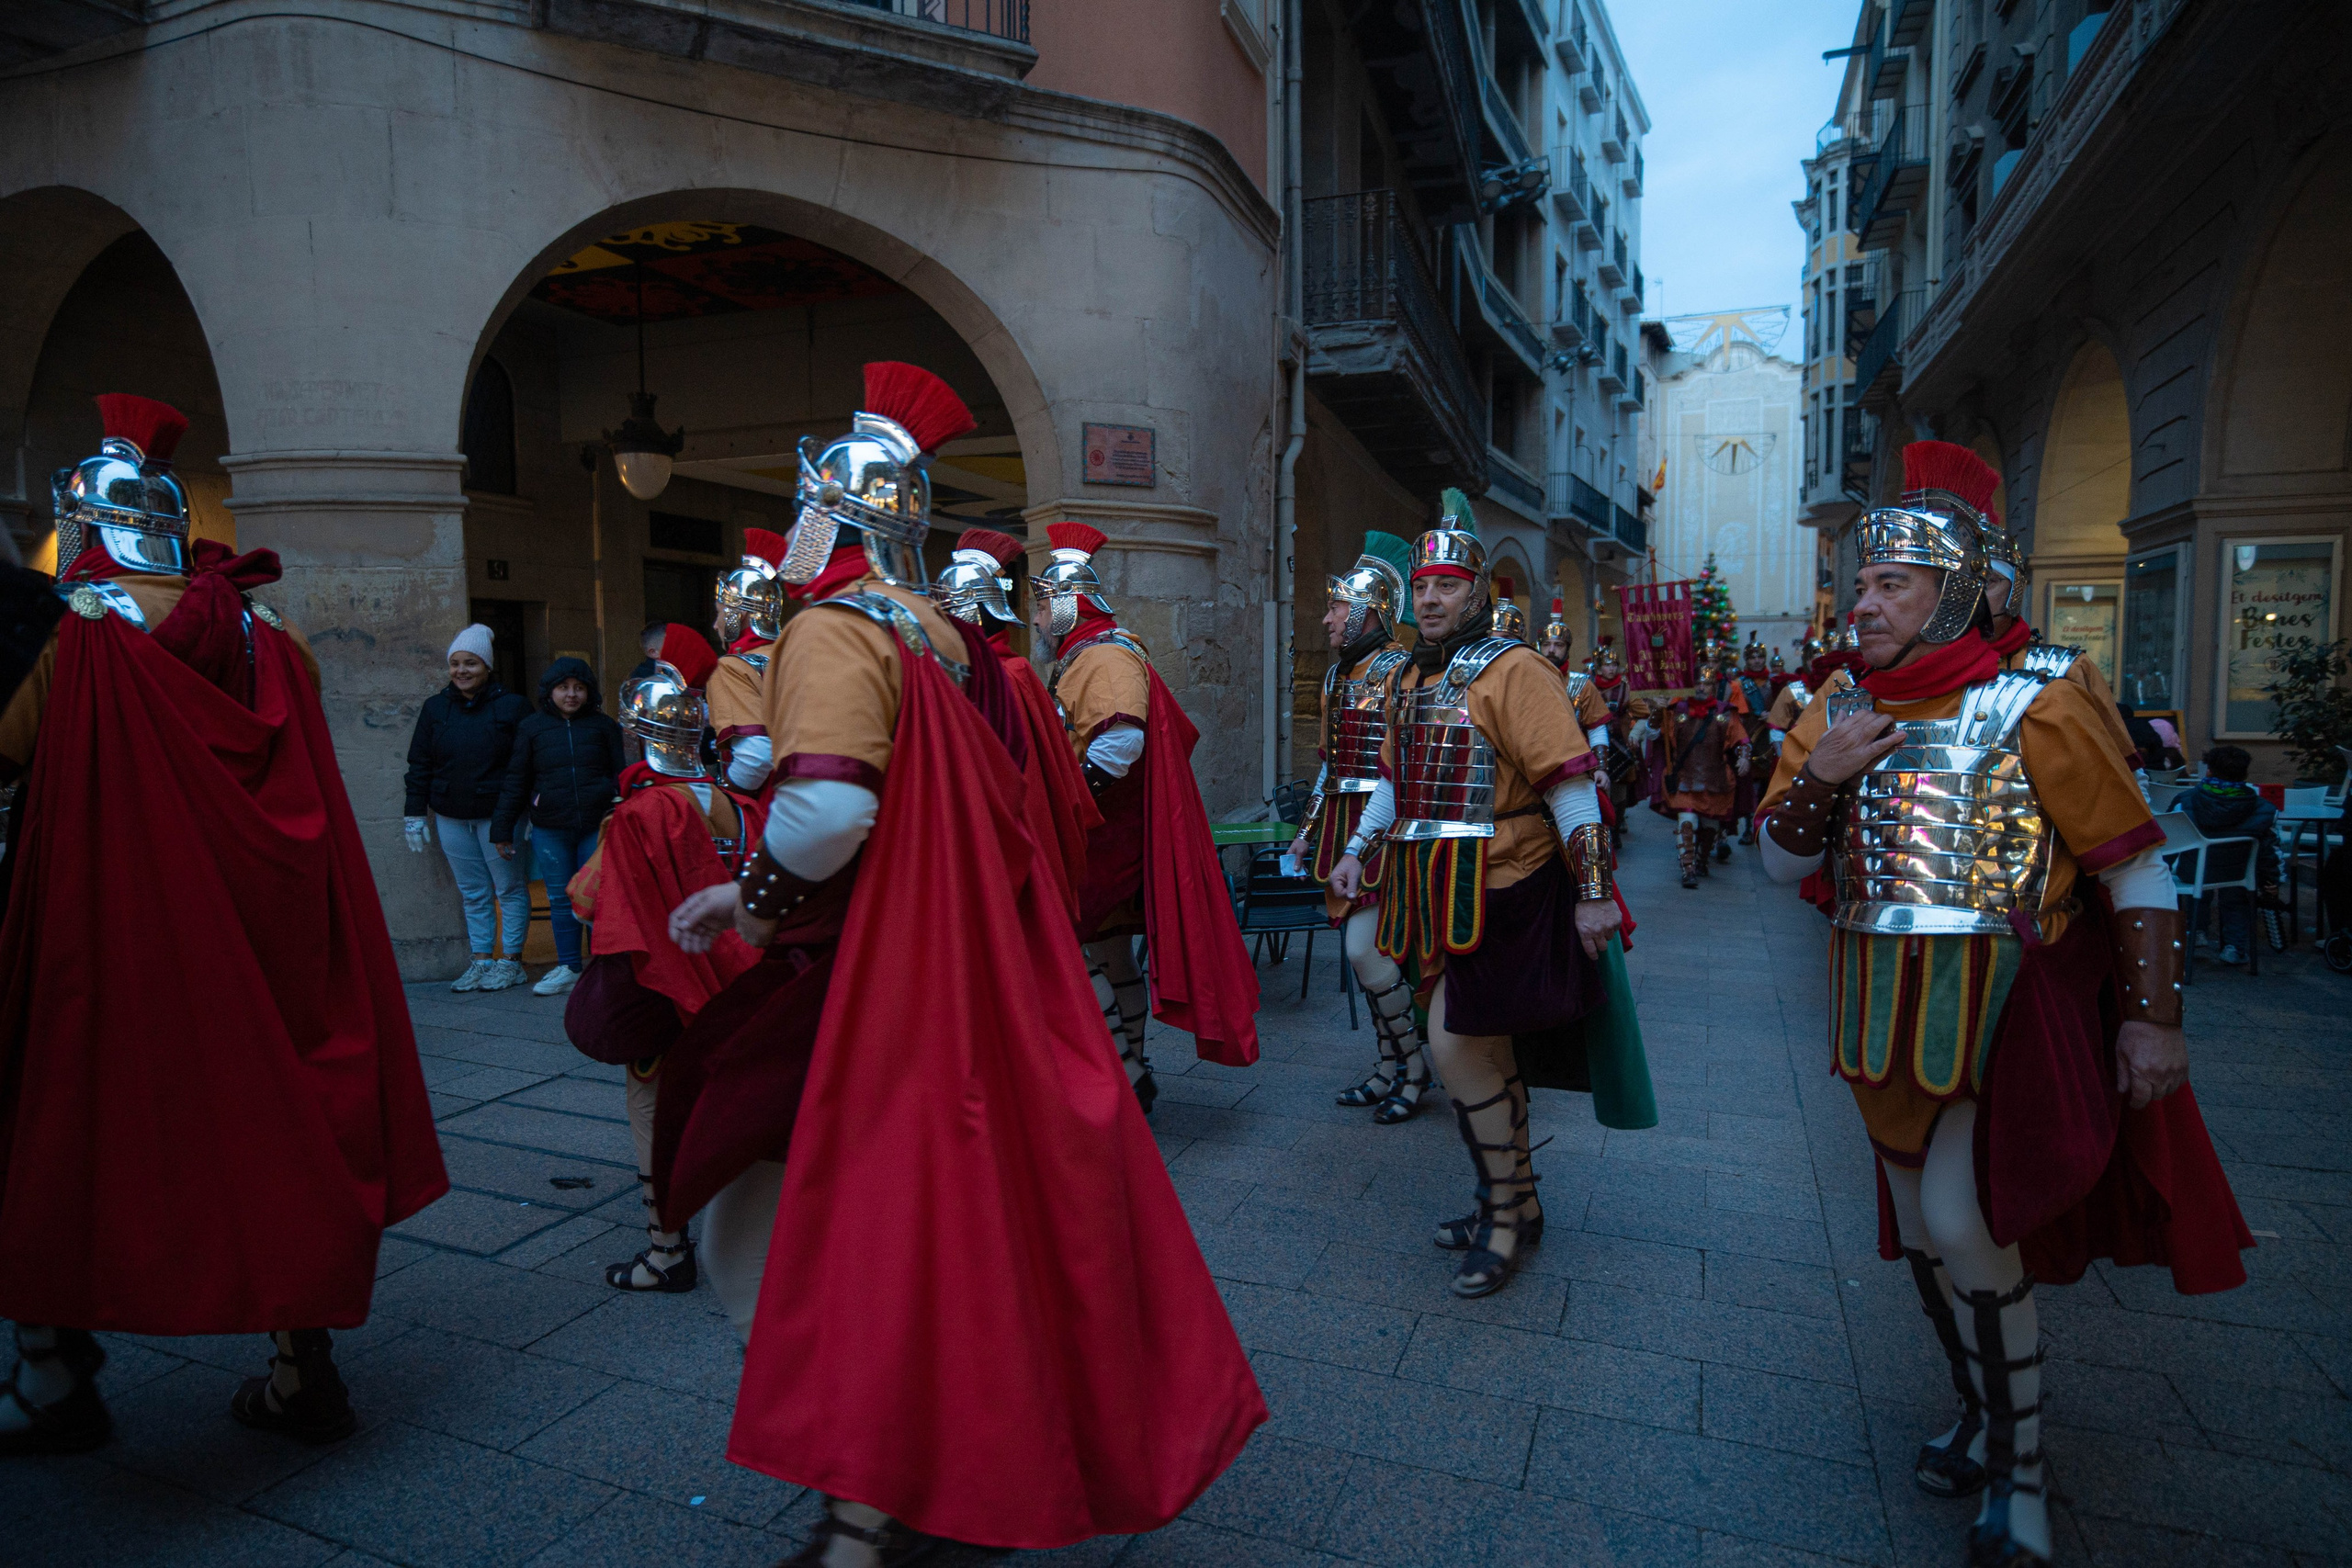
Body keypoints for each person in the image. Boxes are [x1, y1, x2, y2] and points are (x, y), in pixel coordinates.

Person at [658, 362, 1264, 1562]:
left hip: (879, 977)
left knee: (778, 1214)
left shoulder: (834, 625)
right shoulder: (947, 635)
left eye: (808, 510)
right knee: (923, 1231)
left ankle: (863, 1512)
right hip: (961, 962)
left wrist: (754, 903)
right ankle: (889, 1494)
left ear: (837, 516)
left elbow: (829, 810)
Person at [1757, 437, 2249, 1568]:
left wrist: (2150, 1016)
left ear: (1956, 593)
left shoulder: (2041, 697)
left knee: (1962, 1220)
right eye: (1861, 582)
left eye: (1892, 584)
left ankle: (2022, 1474)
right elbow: (1782, 870)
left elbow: (2131, 864)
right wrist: (1822, 781)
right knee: (1928, 1241)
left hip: (2007, 1004)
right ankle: (1981, 1411)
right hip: (1877, 1002)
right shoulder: (1834, 703)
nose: (1863, 603)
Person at [0, 394, 447, 1455]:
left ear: (88, 530)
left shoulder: (82, 638)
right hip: (275, 926)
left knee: (56, 1119)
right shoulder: (269, 631)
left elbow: (14, 750)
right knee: (286, 1123)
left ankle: (51, 1370)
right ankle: (303, 1368)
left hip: (133, 929)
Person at [1329, 491, 1654, 1299]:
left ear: (1478, 593)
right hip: (1430, 889)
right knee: (1482, 1052)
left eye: (1449, 584)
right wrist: (1356, 848)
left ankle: (1504, 1213)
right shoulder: (1407, 675)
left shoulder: (1518, 672)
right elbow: (1394, 782)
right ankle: (1514, 1204)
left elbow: (1571, 786)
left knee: (1458, 1048)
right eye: (1424, 585)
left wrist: (1594, 894)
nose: (1433, 597)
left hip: (1508, 885)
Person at [1034, 519, 1260, 1107]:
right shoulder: (1091, 650)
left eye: (1041, 603)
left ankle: (1123, 1072)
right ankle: (1132, 1070)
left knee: (1065, 948)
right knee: (1109, 954)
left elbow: (1118, 742)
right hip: (1108, 836)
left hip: (1104, 837)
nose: (1034, 618)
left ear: (1065, 603)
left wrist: (1068, 808)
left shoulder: (1103, 654)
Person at [561, 659, 761, 1293]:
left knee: (651, 1106)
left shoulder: (642, 811)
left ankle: (665, 1248)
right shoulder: (742, 804)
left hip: (669, 984)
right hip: (738, 984)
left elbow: (592, 899)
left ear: (642, 735)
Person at [1289, 531, 1424, 1122]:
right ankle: (1387, 1067)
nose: (1327, 620)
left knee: (1366, 951)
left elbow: (1408, 765)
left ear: (1367, 609)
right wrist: (1308, 827)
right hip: (1343, 819)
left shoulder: (1401, 671)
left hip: (1384, 825)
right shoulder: (1334, 676)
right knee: (1365, 958)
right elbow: (1329, 767)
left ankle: (1414, 1068)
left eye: (1336, 607)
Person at [933, 526, 1100, 920]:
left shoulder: (1004, 678)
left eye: (1043, 608)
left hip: (1001, 843)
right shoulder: (999, 674)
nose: (1038, 620)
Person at [404, 623, 534, 989]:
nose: (462, 671)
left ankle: (511, 961)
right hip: (451, 815)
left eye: (471, 664)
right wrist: (414, 812)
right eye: (455, 664)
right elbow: (420, 763)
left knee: (508, 889)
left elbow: (525, 766)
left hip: (499, 816)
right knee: (473, 891)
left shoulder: (513, 707)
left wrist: (524, 814)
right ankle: (481, 959)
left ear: (487, 667)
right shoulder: (435, 709)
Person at [492, 657, 627, 996]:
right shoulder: (532, 728)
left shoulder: (604, 726)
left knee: (595, 895)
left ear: (589, 692)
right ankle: (568, 965)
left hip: (596, 826)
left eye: (579, 688)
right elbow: (517, 780)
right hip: (550, 828)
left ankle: (601, 966)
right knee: (560, 898)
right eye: (563, 688)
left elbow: (621, 774)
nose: (571, 695)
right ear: (549, 691)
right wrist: (502, 828)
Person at [1639, 646, 1748, 889]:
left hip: (1715, 777)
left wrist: (1744, 756)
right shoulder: (1677, 711)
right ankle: (1687, 868)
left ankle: (1701, 860)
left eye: (1706, 685)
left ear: (1713, 687)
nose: (1701, 688)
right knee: (1686, 821)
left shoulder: (1724, 713)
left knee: (1710, 824)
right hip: (1684, 777)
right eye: (1697, 683)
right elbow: (1655, 734)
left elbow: (1742, 739)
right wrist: (1657, 712)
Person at [2182, 745, 2283, 965]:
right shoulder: (2264, 808)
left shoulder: (2186, 800)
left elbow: (2171, 838)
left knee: (2198, 878)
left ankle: (2196, 931)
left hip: (2193, 870)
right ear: (2245, 774)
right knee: (2238, 894)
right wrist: (2270, 880)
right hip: (2239, 872)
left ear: (2208, 771)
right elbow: (2268, 850)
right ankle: (2235, 948)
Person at [707, 531, 787, 794]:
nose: (716, 624)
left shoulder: (733, 668)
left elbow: (756, 757)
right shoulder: (799, 653)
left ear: (738, 615)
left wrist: (728, 797)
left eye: (720, 614)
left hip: (774, 805)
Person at [1726, 631, 1790, 844]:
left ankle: (1765, 827)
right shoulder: (1739, 684)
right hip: (1748, 736)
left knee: (1768, 787)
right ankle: (1747, 827)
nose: (1756, 660)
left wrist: (1773, 716)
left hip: (1770, 739)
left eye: (1760, 657)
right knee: (1748, 787)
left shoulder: (1776, 682)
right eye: (1752, 657)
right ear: (1747, 659)